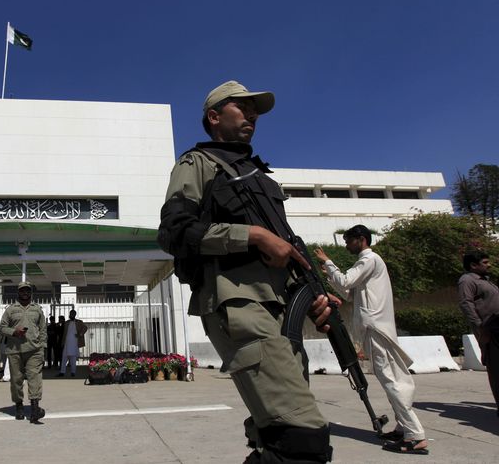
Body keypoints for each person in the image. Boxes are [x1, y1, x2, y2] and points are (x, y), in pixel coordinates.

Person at [157, 80, 335, 463]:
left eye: (255, 110)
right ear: (214, 116)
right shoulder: (197, 164)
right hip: (239, 304)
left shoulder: (260, 178)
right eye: (242, 107)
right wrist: (251, 235)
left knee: (279, 435)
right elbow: (174, 231)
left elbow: (284, 251)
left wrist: (314, 296)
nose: (252, 114)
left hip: (280, 312)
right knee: (303, 441)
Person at [315, 225, 428, 455]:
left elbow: (346, 281)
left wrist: (328, 262)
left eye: (349, 241)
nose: (346, 245)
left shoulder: (369, 259)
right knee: (395, 378)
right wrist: (331, 278)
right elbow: (350, 293)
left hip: (375, 328)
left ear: (362, 240)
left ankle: (414, 436)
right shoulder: (371, 263)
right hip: (377, 327)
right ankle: (403, 427)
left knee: (391, 379)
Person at [0, 281, 47, 423]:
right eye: (22, 290)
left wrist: (42, 346)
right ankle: (18, 405)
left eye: (27, 290)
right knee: (16, 381)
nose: (25, 293)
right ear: (18, 292)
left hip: (34, 350)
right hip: (15, 351)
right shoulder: (11, 309)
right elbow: (2, 327)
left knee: (35, 378)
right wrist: (14, 332)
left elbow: (43, 329)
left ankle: (34, 408)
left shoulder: (37, 309)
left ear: (31, 292)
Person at [457, 251, 499, 417]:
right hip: (489, 329)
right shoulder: (467, 280)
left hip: (496, 327)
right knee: (496, 369)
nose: (489, 265)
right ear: (473, 265)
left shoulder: (484, 280)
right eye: (485, 262)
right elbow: (466, 303)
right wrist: (480, 327)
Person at [58, 309, 87, 377]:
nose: (71, 315)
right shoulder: (67, 322)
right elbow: (63, 332)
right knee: (64, 357)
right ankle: (62, 372)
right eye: (70, 314)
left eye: (72, 314)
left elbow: (85, 328)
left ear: (75, 315)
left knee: (73, 358)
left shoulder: (79, 322)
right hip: (66, 343)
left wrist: (80, 334)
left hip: (74, 343)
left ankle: (73, 372)